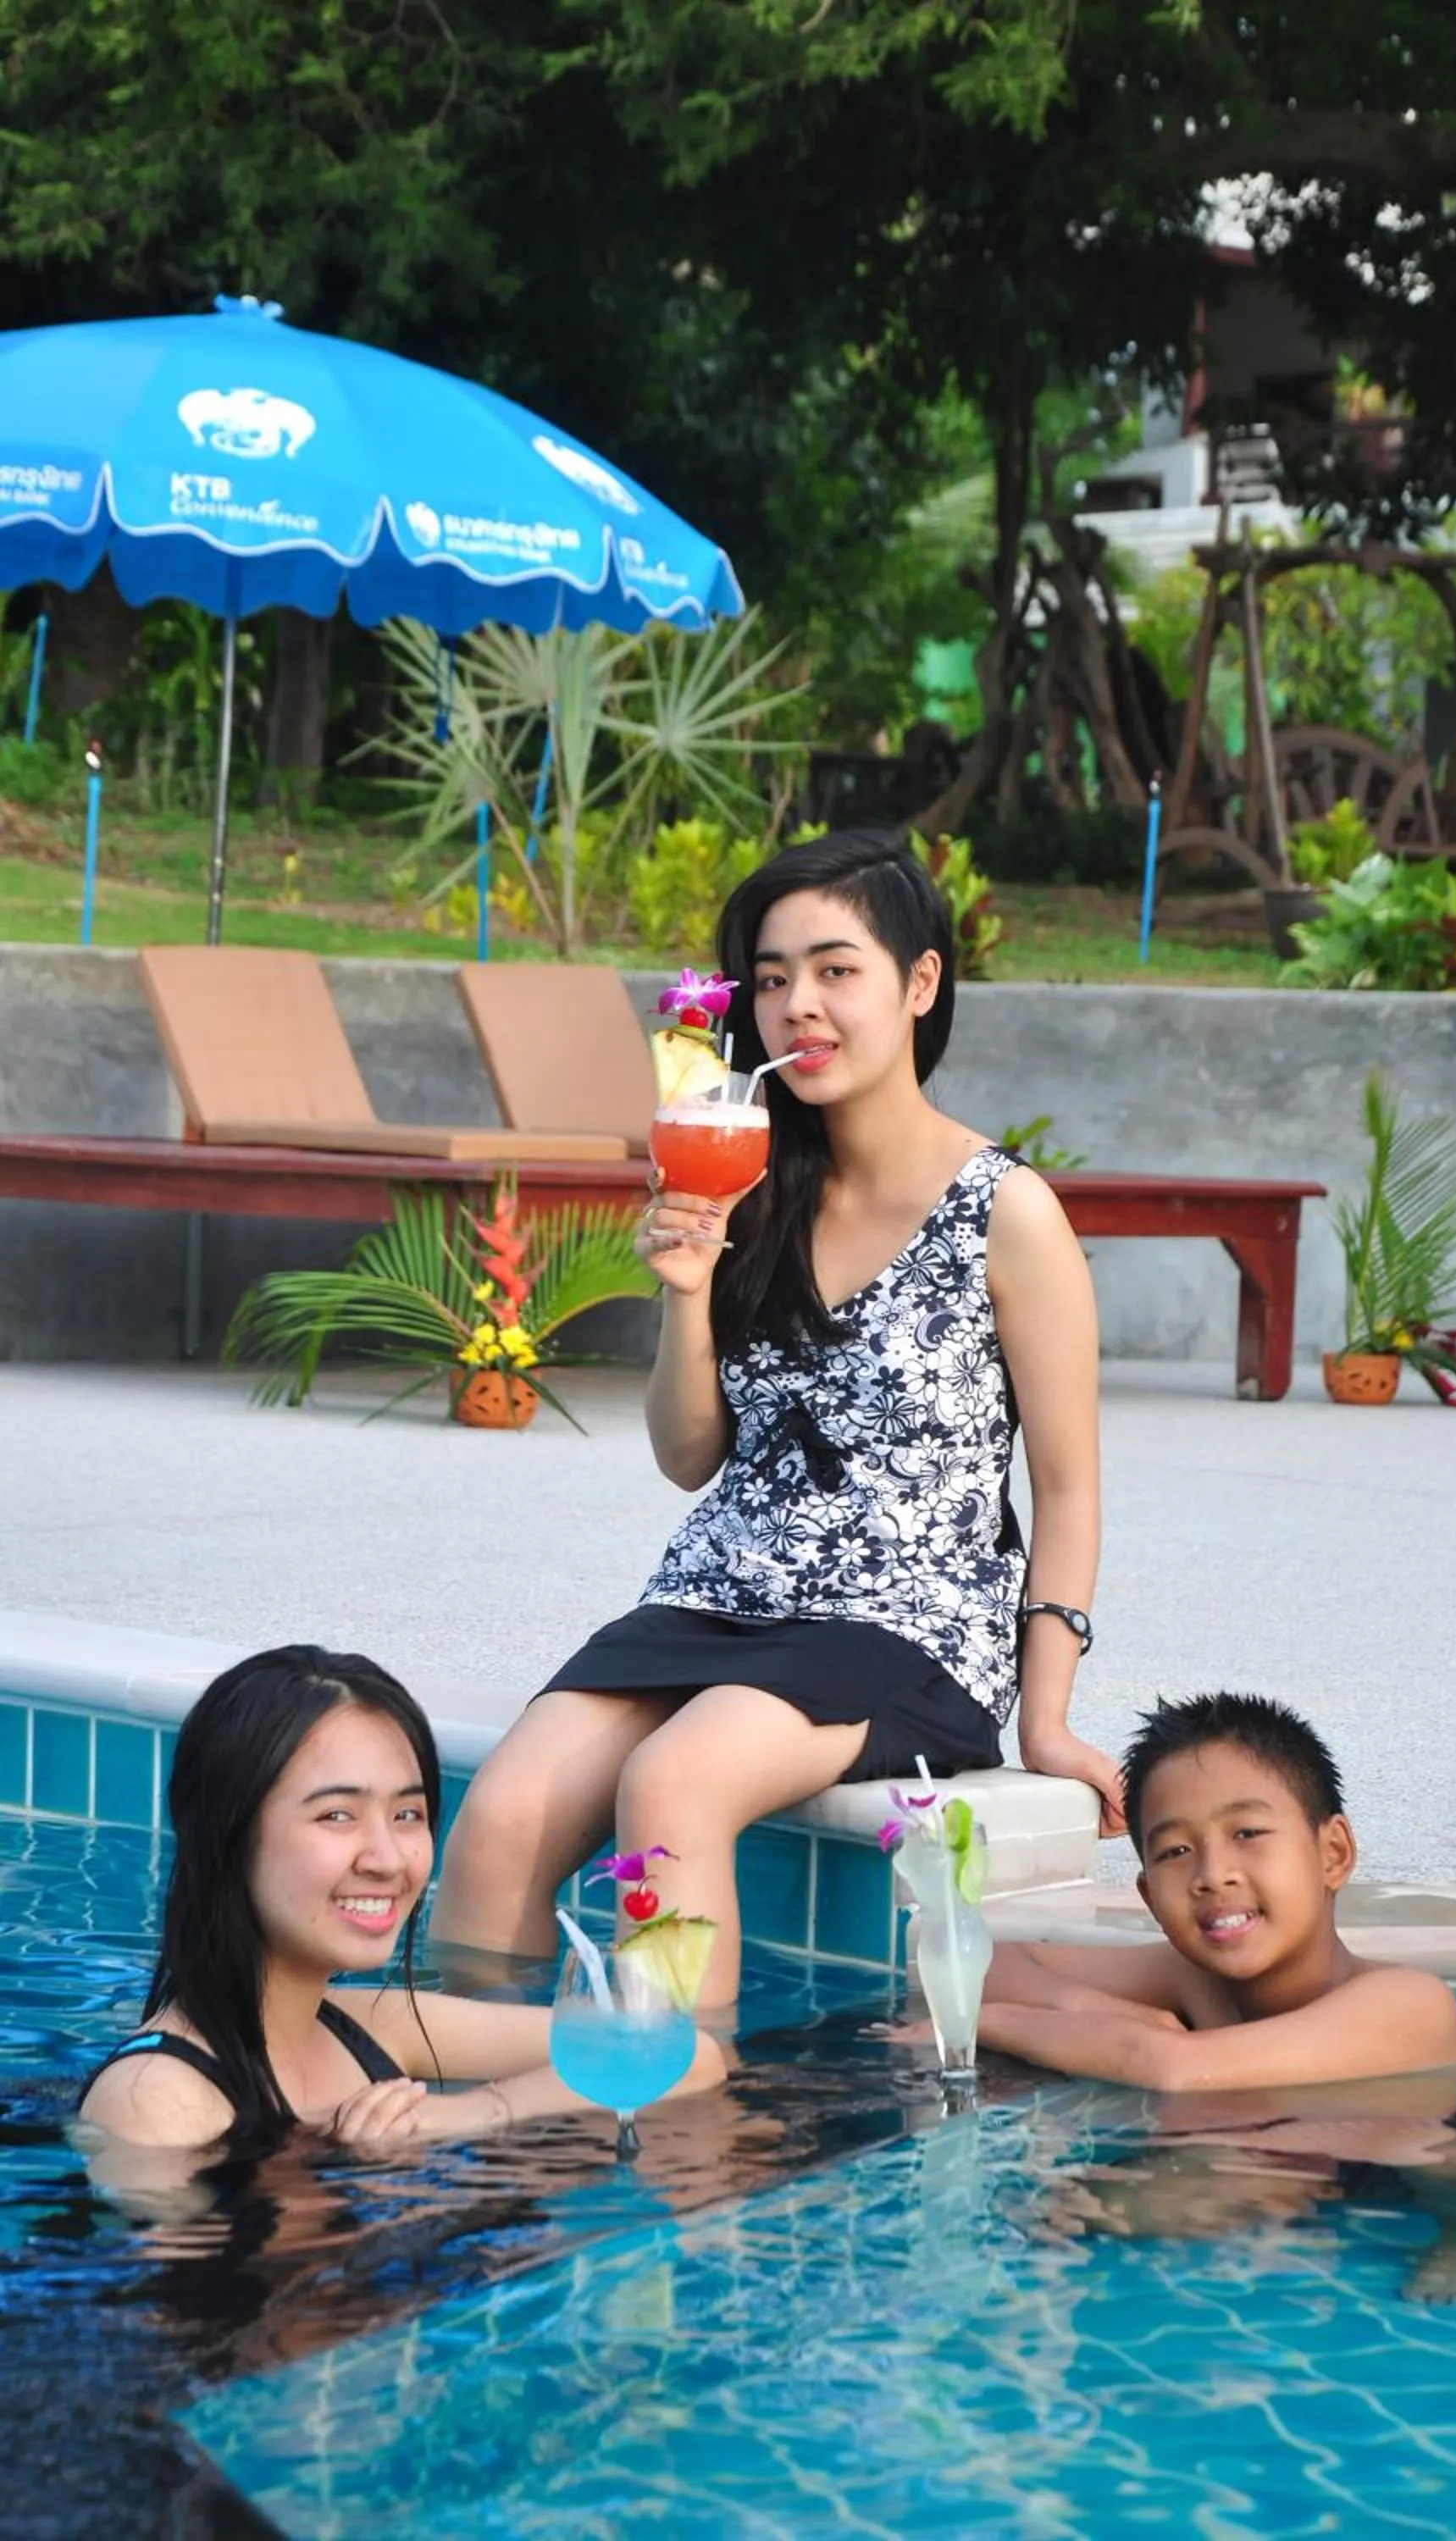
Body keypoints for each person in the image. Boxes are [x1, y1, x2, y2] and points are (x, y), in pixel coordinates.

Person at [431, 830, 1119, 2006]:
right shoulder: (741, 1177)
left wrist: (1045, 1718)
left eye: (835, 970)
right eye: (768, 977)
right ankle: (479, 2136)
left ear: (919, 984)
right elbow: (689, 1454)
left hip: (906, 1620)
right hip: (720, 1595)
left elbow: (1067, 1485)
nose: (798, 1005)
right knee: (501, 1816)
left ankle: (679, 2119)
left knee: (674, 1786)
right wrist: (687, 1295)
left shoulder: (1006, 1213)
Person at [982, 1691, 1456, 2300]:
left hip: (1455, 2137)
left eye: (1248, 1833)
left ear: (1333, 1853)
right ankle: (1297, 2194)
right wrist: (1100, 2011)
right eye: (1176, 1850)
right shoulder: (1191, 1976)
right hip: (1305, 2140)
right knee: (1094, 2204)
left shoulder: (1404, 1999)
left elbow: (1175, 2068)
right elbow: (993, 1960)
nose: (1212, 1875)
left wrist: (989, 2024)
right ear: (1150, 1897)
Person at [77, 1647, 722, 2157]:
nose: (386, 1858)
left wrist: (460, 2116)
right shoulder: (157, 2103)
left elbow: (683, 2055)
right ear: (227, 1832)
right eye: (336, 1815)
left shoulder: (371, 2028)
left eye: (408, 1813)